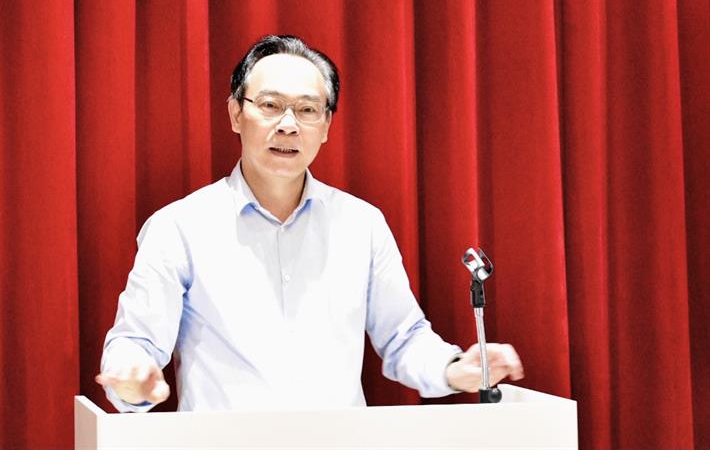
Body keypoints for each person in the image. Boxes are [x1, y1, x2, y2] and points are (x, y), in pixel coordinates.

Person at [96, 35, 523, 412]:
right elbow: (136, 343)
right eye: (270, 105)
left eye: (307, 110)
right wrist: (133, 379)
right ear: (235, 113)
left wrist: (454, 367)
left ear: (326, 126)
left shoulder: (362, 225)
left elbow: (404, 338)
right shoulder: (180, 227)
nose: (288, 125)